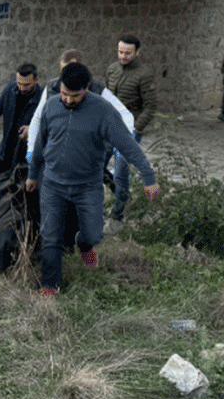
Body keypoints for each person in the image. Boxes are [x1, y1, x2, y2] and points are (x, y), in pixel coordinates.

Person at [28, 62, 160, 296]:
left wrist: (148, 177)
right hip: (53, 184)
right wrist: (32, 175)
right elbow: (40, 146)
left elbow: (128, 146)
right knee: (50, 235)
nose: (68, 100)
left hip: (87, 185)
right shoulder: (50, 107)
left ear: (87, 88)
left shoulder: (103, 112)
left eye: (74, 96)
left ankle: (84, 244)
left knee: (94, 233)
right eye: (65, 94)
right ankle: (50, 285)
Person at [103, 34, 158, 223]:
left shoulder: (144, 74)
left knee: (120, 170)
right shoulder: (112, 69)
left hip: (129, 131)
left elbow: (151, 106)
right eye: (120, 52)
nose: (123, 56)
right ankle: (119, 196)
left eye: (128, 53)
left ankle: (117, 214)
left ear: (137, 53)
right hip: (108, 128)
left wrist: (136, 129)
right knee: (97, 166)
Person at [0, 63, 41, 178]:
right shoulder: (10, 90)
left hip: (25, 159)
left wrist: (32, 130)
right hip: (4, 153)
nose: (22, 88)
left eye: (26, 85)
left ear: (36, 80)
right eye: (19, 83)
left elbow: (47, 128)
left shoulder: (43, 99)